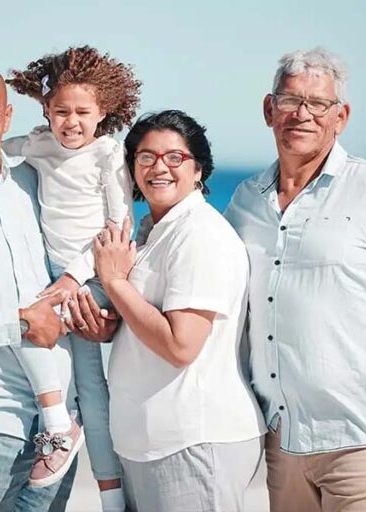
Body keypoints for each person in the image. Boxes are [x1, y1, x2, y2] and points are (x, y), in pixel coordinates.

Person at [224, 47, 366, 511]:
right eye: (290, 100)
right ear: (269, 110)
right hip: (282, 440)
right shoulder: (245, 201)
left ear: (340, 117)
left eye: (318, 103)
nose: (302, 114)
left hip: (364, 442)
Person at [0, 46, 140, 510]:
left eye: (82, 112)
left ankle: (104, 484)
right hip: (55, 279)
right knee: (50, 346)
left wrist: (76, 276)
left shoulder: (108, 154)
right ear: (45, 110)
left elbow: (119, 227)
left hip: (89, 276)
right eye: (61, 111)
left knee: (87, 382)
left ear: (102, 112)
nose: (71, 122)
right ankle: (61, 425)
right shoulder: (39, 145)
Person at [94, 110, 266, 512]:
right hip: (150, 442)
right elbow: (145, 320)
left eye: (175, 157)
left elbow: (181, 345)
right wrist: (108, 322)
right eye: (146, 157)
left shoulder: (199, 234)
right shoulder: (154, 232)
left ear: (198, 170)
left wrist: (115, 283)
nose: (159, 168)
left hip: (194, 439)